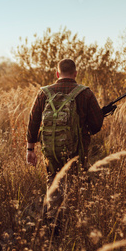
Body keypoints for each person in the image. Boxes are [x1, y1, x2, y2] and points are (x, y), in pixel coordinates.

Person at [26, 59, 104, 226]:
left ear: (57, 74)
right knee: (75, 182)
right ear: (75, 74)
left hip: (51, 150)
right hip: (77, 150)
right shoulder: (85, 93)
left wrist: (30, 149)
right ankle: (73, 223)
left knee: (53, 181)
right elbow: (96, 126)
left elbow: (33, 121)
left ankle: (53, 222)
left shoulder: (44, 93)